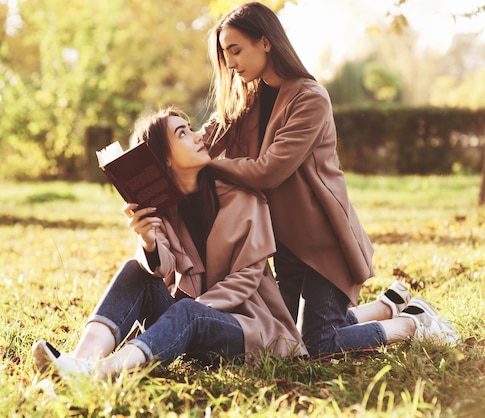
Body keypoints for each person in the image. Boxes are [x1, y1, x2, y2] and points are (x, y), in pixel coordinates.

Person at [201, 1, 459, 356]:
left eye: (235, 50)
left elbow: (268, 172)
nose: (230, 63)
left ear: (265, 42)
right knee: (283, 340)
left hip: (324, 243)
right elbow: (203, 141)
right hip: (286, 243)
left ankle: (413, 323)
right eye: (225, 54)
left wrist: (210, 165)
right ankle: (389, 305)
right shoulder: (249, 100)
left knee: (319, 345)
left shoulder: (310, 98)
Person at [32, 107, 308, 381]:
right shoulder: (162, 208)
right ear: (164, 159)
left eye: (190, 129)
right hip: (190, 326)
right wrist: (148, 240)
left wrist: (191, 310)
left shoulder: (243, 196)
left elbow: (246, 279)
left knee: (189, 312)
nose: (199, 137)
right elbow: (162, 267)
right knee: (135, 269)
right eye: (183, 134)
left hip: (249, 329)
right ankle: (79, 361)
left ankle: (102, 371)